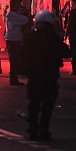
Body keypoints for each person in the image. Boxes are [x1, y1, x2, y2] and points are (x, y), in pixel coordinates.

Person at [21, 10, 70, 141]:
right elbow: (66, 52)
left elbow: (23, 55)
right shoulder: (53, 37)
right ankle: (43, 129)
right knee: (47, 105)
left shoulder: (30, 37)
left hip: (34, 75)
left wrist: (24, 71)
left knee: (34, 103)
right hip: (50, 75)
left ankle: (33, 129)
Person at [4, 0, 29, 85]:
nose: (19, 7)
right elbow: (25, 20)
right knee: (14, 59)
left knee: (14, 59)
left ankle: (13, 79)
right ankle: (13, 79)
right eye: (18, 5)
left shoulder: (11, 14)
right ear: (14, 5)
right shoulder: (12, 15)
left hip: (12, 38)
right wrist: (23, 13)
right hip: (13, 39)